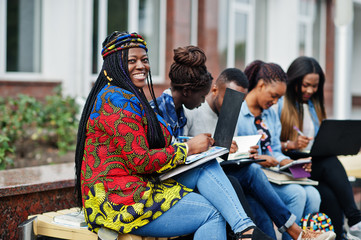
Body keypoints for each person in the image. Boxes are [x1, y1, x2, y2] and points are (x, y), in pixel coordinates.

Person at [74, 31, 272, 240]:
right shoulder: (115, 101)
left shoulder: (129, 95)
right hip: (118, 201)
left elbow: (156, 143)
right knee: (213, 213)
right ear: (115, 65)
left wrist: (201, 146)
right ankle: (247, 231)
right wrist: (188, 149)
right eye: (132, 60)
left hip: (139, 185)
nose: (141, 66)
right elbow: (141, 159)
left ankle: (245, 229)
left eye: (145, 60)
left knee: (206, 164)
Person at [184, 67, 336, 240]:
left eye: (238, 101)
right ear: (214, 90)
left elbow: (226, 154)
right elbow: (186, 150)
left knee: (259, 184)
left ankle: (297, 233)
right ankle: (297, 233)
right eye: (231, 98)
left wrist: (241, 151)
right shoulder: (194, 109)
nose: (234, 105)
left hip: (231, 171)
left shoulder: (229, 112)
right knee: (264, 182)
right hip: (206, 175)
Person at [234, 60, 334, 240]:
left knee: (313, 195)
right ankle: (296, 236)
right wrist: (260, 159)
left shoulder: (269, 113)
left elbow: (276, 150)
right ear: (261, 85)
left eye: (279, 98)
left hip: (275, 174)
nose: (275, 102)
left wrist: (289, 162)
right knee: (297, 194)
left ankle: (309, 236)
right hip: (256, 177)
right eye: (273, 96)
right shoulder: (238, 112)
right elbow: (233, 153)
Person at [278, 56, 361, 240]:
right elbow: (271, 144)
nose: (310, 90)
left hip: (312, 166)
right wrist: (291, 144)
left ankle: (340, 235)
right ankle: (356, 220)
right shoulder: (280, 103)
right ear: (295, 81)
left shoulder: (314, 106)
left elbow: (320, 140)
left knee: (328, 195)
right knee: (329, 162)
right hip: (290, 165)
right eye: (306, 84)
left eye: (314, 86)